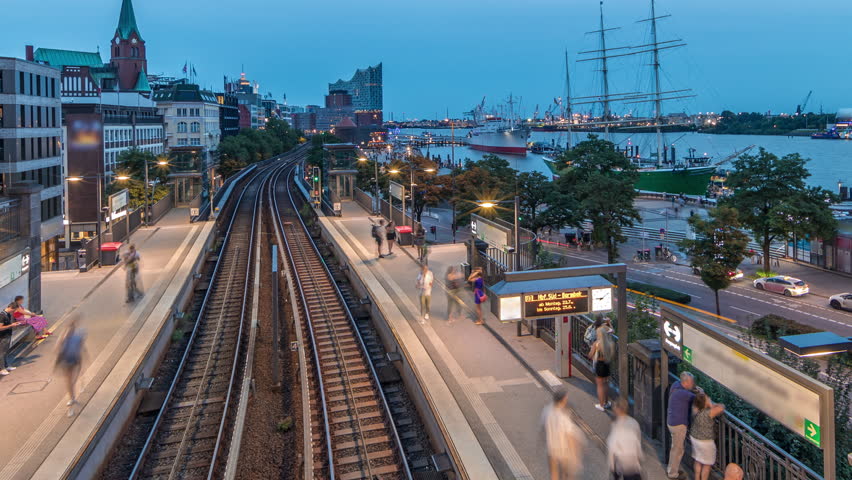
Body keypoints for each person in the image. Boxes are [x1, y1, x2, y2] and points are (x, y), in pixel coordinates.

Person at [543, 390, 584, 480]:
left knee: (554, 474)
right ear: (563, 400)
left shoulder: (547, 410)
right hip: (563, 450)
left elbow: (544, 427)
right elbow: (570, 437)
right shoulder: (563, 417)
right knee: (567, 475)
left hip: (551, 448)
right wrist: (575, 456)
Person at [666, 371, 699, 479]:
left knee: (675, 448)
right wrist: (701, 391)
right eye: (692, 382)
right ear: (687, 382)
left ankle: (672, 469)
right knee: (678, 449)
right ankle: (672, 474)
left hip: (671, 421)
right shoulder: (684, 394)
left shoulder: (676, 385)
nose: (693, 384)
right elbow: (699, 399)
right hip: (678, 425)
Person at [690, 393, 725, 480]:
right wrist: (712, 404)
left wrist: (708, 404)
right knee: (707, 464)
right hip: (705, 442)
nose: (709, 398)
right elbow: (722, 407)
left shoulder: (696, 410)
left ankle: (697, 478)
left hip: (695, 438)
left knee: (698, 460)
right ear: (705, 403)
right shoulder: (708, 413)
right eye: (707, 398)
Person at [607, 397, 643, 480]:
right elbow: (638, 441)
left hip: (622, 461)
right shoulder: (634, 422)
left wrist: (612, 465)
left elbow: (612, 446)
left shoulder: (616, 425)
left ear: (617, 410)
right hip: (634, 461)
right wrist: (639, 457)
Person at [56, 316, 86, 416]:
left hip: (75, 359)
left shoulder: (78, 337)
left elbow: (82, 348)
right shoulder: (63, 338)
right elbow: (57, 350)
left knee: (73, 379)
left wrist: (84, 357)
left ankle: (72, 395)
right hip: (66, 360)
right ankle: (72, 397)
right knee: (69, 380)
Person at [588, 325, 615, 411]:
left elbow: (590, 355)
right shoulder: (610, 343)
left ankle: (601, 404)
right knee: (606, 384)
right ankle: (606, 402)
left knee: (600, 386)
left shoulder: (597, 344)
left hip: (599, 365)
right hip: (607, 364)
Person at [0, 305, 22, 376]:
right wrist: (11, 325)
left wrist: (13, 324)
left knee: (6, 352)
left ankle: (6, 366)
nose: (14, 312)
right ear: (11, 308)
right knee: (2, 353)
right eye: (14, 310)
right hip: (3, 337)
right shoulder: (2, 316)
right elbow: (0, 328)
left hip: (7, 336)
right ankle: (2, 369)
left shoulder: (8, 314)